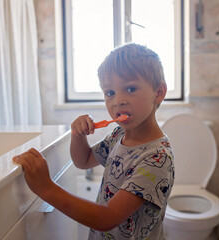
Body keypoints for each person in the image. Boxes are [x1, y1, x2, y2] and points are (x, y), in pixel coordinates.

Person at [13, 43, 175, 239]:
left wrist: (46, 188)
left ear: (159, 92)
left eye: (130, 88)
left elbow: (107, 218)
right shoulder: (119, 135)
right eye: (110, 93)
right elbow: (84, 160)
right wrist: (78, 136)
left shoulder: (157, 158)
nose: (118, 101)